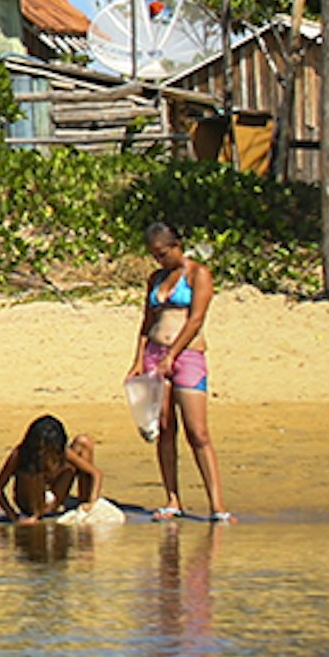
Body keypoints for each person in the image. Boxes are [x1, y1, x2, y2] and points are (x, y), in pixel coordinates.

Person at [129, 222, 229, 522]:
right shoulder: (155, 279)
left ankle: (217, 505)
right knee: (164, 429)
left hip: (187, 355)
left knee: (198, 432)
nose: (159, 260)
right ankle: (172, 498)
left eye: (162, 253)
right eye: (154, 255)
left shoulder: (198, 274)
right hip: (155, 355)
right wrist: (138, 359)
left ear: (176, 245)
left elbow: (196, 319)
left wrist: (172, 355)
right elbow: (147, 322)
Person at [0, 412, 104, 520]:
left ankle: (83, 501)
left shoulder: (61, 452)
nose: (44, 453)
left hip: (53, 495)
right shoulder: (20, 454)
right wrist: (13, 516)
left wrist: (92, 502)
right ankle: (37, 512)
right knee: (30, 473)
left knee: (83, 443)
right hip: (31, 502)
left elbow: (95, 473)